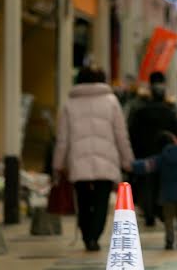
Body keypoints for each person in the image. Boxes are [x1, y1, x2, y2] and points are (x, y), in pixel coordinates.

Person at [53, 67, 134, 252]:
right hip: (106, 162)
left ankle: (86, 235)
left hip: (78, 162)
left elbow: (62, 139)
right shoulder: (111, 101)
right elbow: (121, 135)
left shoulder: (69, 104)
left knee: (82, 201)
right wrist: (127, 160)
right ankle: (94, 237)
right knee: (100, 202)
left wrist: (58, 164)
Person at [129, 71, 177, 226]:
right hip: (165, 153)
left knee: (147, 182)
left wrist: (133, 151)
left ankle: (149, 212)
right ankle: (160, 210)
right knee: (162, 181)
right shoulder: (170, 109)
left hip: (145, 152)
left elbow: (133, 131)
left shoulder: (139, 108)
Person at [132, 131, 177, 250]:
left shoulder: (162, 157)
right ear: (175, 140)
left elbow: (147, 165)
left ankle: (169, 241)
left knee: (168, 218)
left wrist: (131, 165)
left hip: (167, 194)